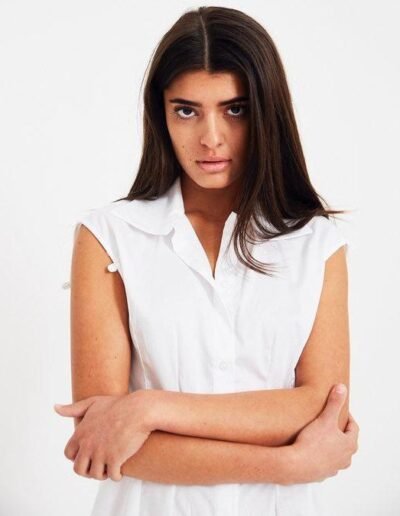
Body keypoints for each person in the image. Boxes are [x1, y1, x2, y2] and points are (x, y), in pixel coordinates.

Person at [55, 6, 359, 516]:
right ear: (161, 113)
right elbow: (101, 438)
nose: (211, 137)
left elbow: (321, 407)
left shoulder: (316, 243)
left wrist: (149, 408)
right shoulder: (109, 236)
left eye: (235, 109)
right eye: (186, 110)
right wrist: (286, 463)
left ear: (267, 113)